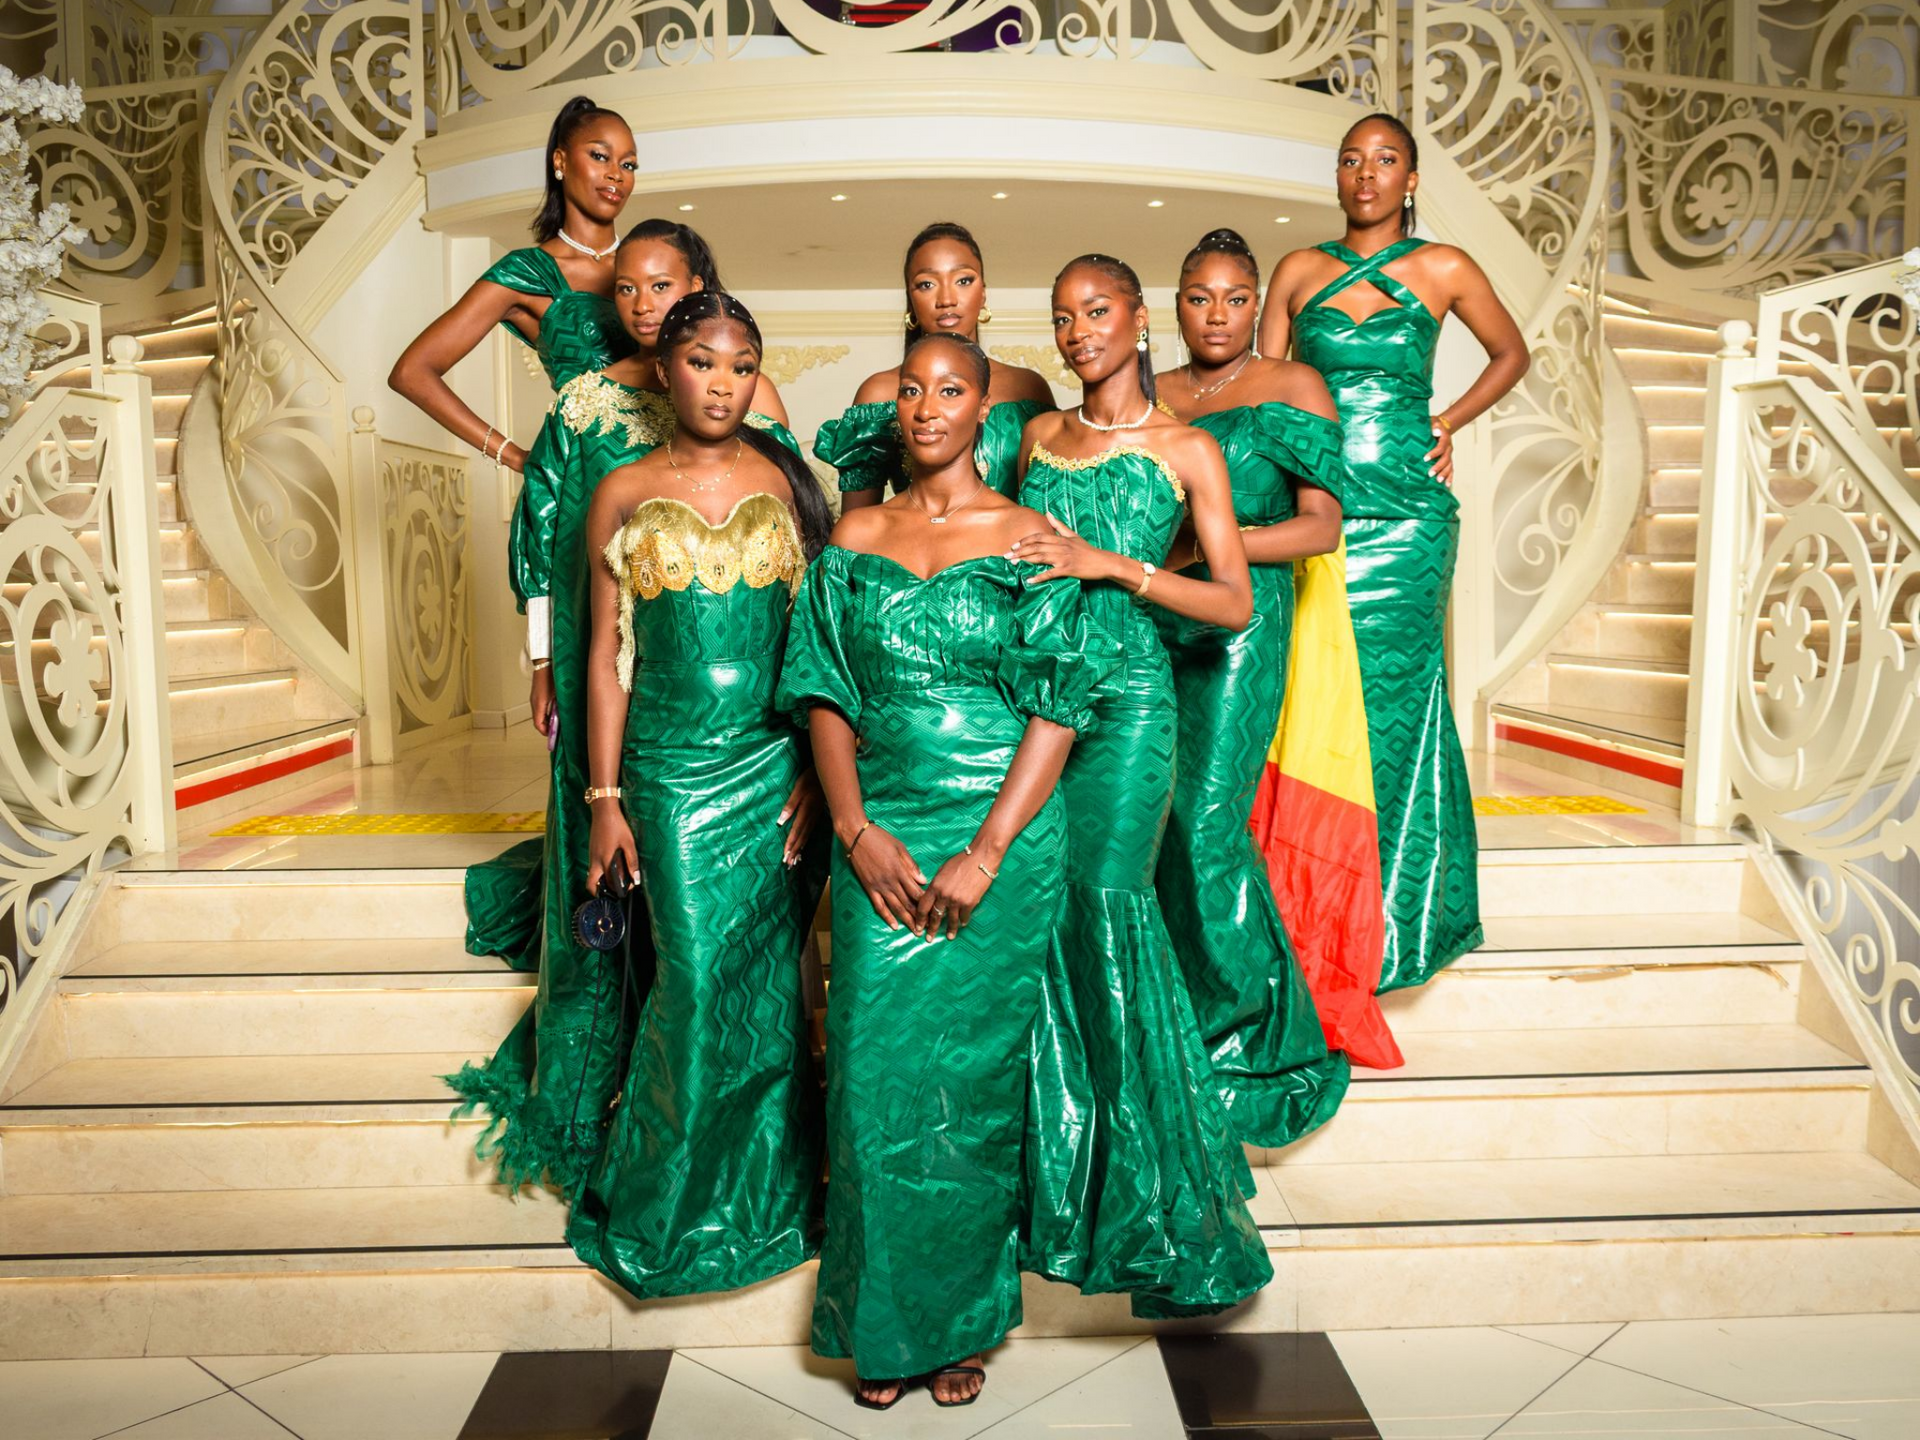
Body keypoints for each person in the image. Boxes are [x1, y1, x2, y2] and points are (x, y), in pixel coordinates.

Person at [780, 332, 1106, 1410]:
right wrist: (854, 827)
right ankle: (884, 1325)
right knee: (873, 1075)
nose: (926, 407)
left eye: (950, 390)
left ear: (985, 413)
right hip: (884, 827)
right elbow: (824, 692)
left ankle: (961, 1322)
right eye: (911, 389)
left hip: (998, 834)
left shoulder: (1031, 539)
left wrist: (986, 850)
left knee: (970, 1088)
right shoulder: (851, 536)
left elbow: (1058, 707)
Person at [442, 222, 801, 1193]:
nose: (640, 305)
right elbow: (546, 533)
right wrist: (544, 658)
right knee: (611, 882)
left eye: (662, 287)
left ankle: (715, 1116)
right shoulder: (587, 407)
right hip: (618, 686)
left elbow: (793, 555)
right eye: (629, 291)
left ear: (700, 287)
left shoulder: (748, 399)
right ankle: (599, 1087)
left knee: (716, 939)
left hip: (727, 705)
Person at [1009, 254, 1271, 1318]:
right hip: (1027, 704)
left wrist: (1117, 566)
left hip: (1127, 707)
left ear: (1139, 320)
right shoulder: (1033, 440)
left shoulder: (1187, 449)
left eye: (1098, 311)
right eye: (1063, 316)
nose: (1078, 333)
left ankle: (1149, 1190)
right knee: (1031, 917)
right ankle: (1050, 1180)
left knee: (1108, 911)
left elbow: (1235, 604)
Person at [565, 291, 833, 1298]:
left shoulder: (783, 481)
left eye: (740, 364)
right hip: (671, 776)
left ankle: (766, 1201)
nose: (721, 382)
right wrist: (604, 797)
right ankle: (672, 1200)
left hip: (772, 767)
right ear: (666, 371)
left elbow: (816, 650)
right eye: (702, 361)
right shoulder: (623, 490)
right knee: (694, 982)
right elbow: (606, 660)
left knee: (769, 992)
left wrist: (814, 765)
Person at [1258, 113, 1529, 1015]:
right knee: (1311, 705)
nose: (1366, 174)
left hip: (1410, 524)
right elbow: (1258, 398)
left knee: (1397, 709)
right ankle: (1309, 917)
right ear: (1334, 175)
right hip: (1321, 517)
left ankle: (1401, 920)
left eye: (1385, 161)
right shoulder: (1297, 271)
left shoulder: (1445, 267)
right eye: (1350, 159)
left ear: (1410, 178)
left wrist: (1448, 419)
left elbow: (1511, 352)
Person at [389, 95, 634, 983]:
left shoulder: (652, 266)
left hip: (669, 504)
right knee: (588, 716)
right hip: (577, 516)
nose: (617, 174)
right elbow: (413, 369)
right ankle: (595, 942)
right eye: (600, 155)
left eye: (630, 162)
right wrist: (517, 453)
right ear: (561, 163)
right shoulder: (530, 272)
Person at [1154, 228, 1350, 1140]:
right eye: (1200, 296)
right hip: (1152, 624)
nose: (1219, 314)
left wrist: (1215, 550)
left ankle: (1246, 1033)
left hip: (1243, 621)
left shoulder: (1293, 387)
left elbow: (1319, 529)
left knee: (1204, 822)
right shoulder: (1154, 396)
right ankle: (1170, 1021)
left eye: (1237, 297)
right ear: (1177, 303)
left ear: (1259, 301)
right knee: (1151, 825)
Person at [817, 221, 1054, 506]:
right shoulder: (879, 392)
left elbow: (1048, 504)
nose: (946, 299)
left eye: (963, 280)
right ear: (911, 300)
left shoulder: (1028, 387)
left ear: (984, 293)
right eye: (927, 284)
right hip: (912, 548)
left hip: (1014, 548)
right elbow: (856, 524)